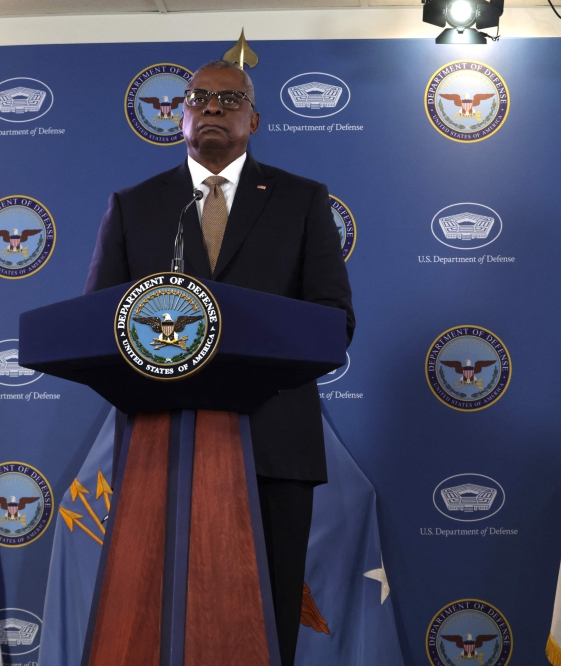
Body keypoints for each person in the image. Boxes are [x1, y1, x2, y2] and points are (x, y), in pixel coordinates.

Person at [84, 59, 354, 666]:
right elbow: (97, 324)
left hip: (273, 447)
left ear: (253, 119)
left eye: (228, 99)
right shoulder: (135, 206)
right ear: (178, 116)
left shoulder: (301, 200)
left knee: (267, 616)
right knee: (155, 617)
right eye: (198, 98)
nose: (211, 107)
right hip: (162, 444)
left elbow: (335, 322)